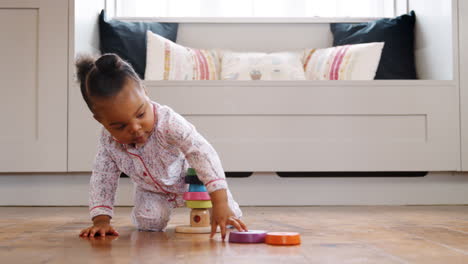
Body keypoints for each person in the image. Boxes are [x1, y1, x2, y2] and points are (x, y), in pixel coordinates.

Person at [76, 53, 247, 240]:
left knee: (230, 217)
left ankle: (224, 206)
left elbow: (201, 151)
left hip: (193, 182)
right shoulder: (108, 142)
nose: (135, 128)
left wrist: (219, 201)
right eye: (120, 126)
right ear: (101, 121)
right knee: (149, 222)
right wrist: (101, 220)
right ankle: (152, 214)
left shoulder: (169, 122)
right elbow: (103, 177)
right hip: (152, 191)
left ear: (146, 93)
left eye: (140, 114)